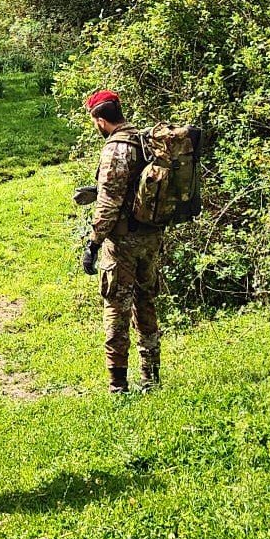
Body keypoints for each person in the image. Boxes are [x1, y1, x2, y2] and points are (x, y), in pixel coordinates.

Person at [81, 90, 163, 394]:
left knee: (116, 306)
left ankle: (117, 384)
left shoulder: (115, 149)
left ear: (101, 120)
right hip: (151, 237)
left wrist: (93, 242)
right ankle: (151, 378)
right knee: (146, 303)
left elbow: (109, 203)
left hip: (124, 241)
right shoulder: (144, 140)